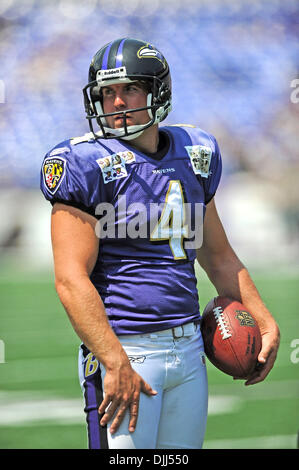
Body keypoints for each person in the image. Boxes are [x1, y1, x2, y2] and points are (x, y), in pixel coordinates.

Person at [40, 37, 280, 449]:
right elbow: (70, 279)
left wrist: (262, 317)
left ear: (157, 92)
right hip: (126, 349)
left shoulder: (195, 153)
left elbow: (218, 256)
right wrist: (112, 359)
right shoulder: (83, 164)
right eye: (107, 92)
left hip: (189, 348)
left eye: (129, 88)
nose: (116, 102)